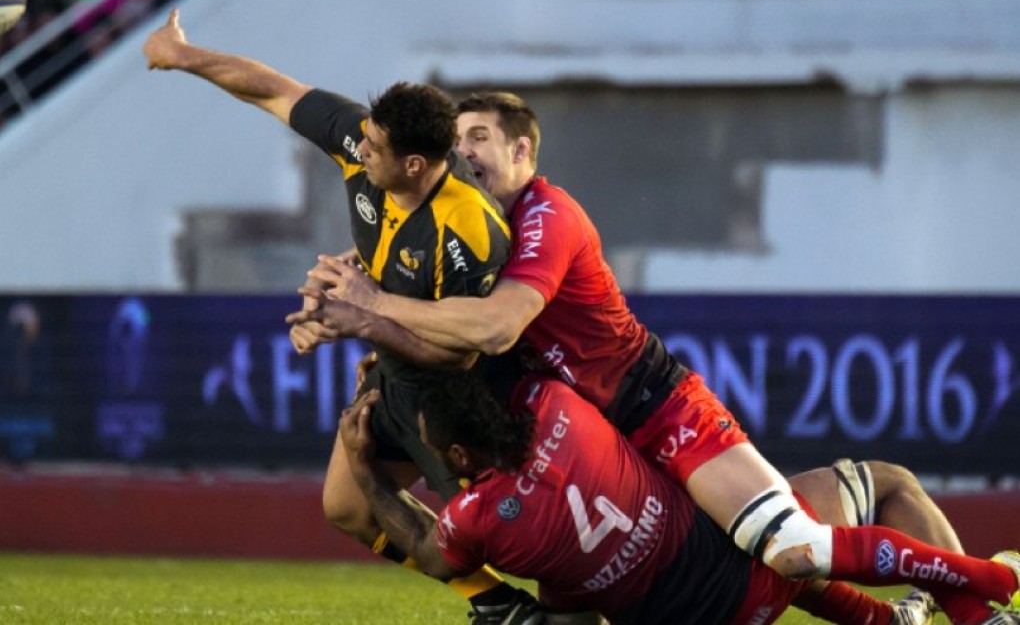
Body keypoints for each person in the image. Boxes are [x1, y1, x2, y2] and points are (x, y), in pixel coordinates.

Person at [295, 92, 1020, 623]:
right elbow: (457, 332)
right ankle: (905, 619)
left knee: (790, 552)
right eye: (457, 140)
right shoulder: (474, 237)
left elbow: (494, 330)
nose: (465, 153)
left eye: (480, 136)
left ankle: (990, 596)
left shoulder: (546, 216)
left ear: (523, 151)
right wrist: (378, 337)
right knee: (743, 568)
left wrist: (372, 309)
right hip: (601, 445)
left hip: (654, 407)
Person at [142, 12, 540, 625]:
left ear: (414, 166)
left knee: (532, 539)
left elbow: (461, 354)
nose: (359, 148)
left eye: (375, 148)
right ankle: (493, 603)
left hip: (458, 398)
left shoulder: (468, 230)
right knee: (348, 508)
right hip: (393, 371)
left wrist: (358, 320)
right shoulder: (367, 141)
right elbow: (276, 90)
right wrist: (183, 56)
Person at [340, 371, 1020, 625]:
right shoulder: (555, 406)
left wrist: (368, 468)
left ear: (457, 460)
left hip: (684, 612)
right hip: (737, 568)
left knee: (563, 599)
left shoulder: (476, 521)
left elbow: (429, 551)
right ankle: (988, 591)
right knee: (880, 488)